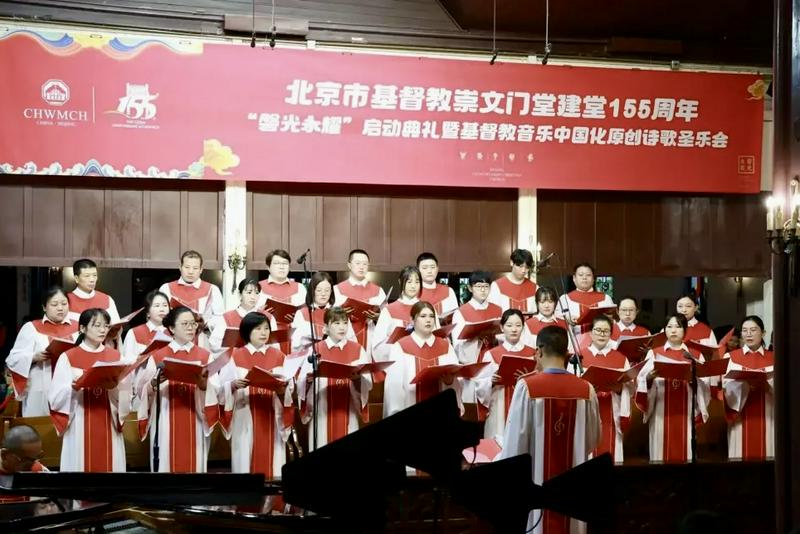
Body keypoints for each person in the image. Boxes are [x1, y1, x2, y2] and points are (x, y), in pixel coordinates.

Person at [498, 325, 600, 534]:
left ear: (539, 351)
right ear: (567, 353)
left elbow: (515, 445)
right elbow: (592, 439)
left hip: (536, 484)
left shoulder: (527, 387)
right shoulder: (586, 388)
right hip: (574, 485)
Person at [136, 306, 221, 472]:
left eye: (193, 323)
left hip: (195, 417)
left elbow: (215, 389)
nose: (191, 327)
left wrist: (204, 386)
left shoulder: (205, 355)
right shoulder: (158, 356)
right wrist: (154, 384)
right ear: (172, 328)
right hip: (166, 417)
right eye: (185, 324)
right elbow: (142, 391)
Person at [49, 308, 129, 472]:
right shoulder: (69, 357)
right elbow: (56, 398)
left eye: (106, 326)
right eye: (97, 325)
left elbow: (126, 392)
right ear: (83, 328)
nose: (102, 330)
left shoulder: (116, 356)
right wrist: (73, 388)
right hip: (79, 420)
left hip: (108, 420)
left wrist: (113, 388)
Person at [219, 312, 295, 478]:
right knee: (246, 463)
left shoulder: (280, 356)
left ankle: (273, 503)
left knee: (273, 467)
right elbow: (220, 389)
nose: (263, 333)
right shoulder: (234, 356)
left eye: (266, 328)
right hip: (245, 416)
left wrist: (283, 390)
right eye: (258, 329)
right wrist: (232, 385)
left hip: (272, 416)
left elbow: (289, 388)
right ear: (247, 332)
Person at [635, 314, 711, 463]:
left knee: (686, 452)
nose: (673, 330)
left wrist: (693, 380)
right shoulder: (654, 353)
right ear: (664, 330)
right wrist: (649, 379)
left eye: (678, 326)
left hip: (686, 411)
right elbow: (642, 380)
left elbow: (705, 385)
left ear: (685, 330)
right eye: (669, 327)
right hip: (660, 412)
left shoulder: (694, 355)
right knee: (660, 454)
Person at [297, 307, 373, 450]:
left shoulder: (357, 350)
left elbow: (367, 385)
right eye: (336, 323)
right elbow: (302, 384)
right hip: (322, 412)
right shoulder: (315, 350)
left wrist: (357, 380)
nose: (342, 327)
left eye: (345, 323)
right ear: (326, 328)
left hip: (348, 410)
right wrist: (308, 382)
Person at [6, 286, 79, 416]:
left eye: (64, 303)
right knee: (39, 425)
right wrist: (34, 357)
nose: (60, 308)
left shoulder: (78, 327)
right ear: (44, 307)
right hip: (40, 384)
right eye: (54, 304)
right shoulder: (31, 328)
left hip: (69, 384)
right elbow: (13, 359)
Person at [383, 301, 462, 417]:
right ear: (412, 320)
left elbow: (454, 382)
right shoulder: (400, 347)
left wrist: (449, 382)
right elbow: (394, 388)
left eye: (431, 316)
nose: (428, 320)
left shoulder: (445, 346)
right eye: (423, 316)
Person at [474, 309, 537, 445]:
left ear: (523, 327)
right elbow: (479, 385)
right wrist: (490, 381)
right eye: (509, 325)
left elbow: (540, 383)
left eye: (518, 325)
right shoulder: (491, 354)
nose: (514, 329)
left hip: (525, 406)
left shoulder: (532, 353)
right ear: (502, 327)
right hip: (499, 406)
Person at [578, 315, 631, 463]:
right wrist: (587, 389)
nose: (602, 334)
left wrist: (619, 389)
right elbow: (572, 384)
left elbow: (629, 387)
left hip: (612, 411)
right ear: (590, 332)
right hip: (588, 411)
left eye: (606, 331)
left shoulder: (620, 358)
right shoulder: (579, 357)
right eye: (598, 330)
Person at [722, 315, 774, 460]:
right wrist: (744, 385)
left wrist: (768, 387)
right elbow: (726, 388)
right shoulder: (730, 357)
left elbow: (784, 388)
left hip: (769, 415)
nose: (749, 334)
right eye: (745, 330)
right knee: (740, 459)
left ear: (763, 333)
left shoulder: (775, 357)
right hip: (741, 416)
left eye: (753, 330)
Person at [333, 249, 386, 353]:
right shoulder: (336, 289)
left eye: (365, 264)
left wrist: (378, 317)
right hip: (345, 335)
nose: (361, 267)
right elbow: (329, 317)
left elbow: (387, 317)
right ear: (349, 265)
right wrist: (341, 314)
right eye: (357, 263)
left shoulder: (378, 291)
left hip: (370, 335)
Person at [208, 278, 277, 356]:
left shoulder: (268, 317)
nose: (253, 297)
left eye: (257, 293)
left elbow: (275, 345)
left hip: (260, 359)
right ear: (240, 294)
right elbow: (214, 344)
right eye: (249, 292)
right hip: (234, 361)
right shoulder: (227, 317)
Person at [257, 249, 307, 354]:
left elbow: (306, 314)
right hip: (267, 336)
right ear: (268, 267)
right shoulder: (258, 287)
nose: (281, 266)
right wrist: (259, 312)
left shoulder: (300, 288)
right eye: (277, 263)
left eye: (285, 263)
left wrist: (297, 316)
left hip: (294, 335)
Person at [159, 250, 224, 327]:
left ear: (201, 270)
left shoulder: (213, 289)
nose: (190, 272)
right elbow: (160, 315)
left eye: (195, 268)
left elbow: (220, 318)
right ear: (180, 268)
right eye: (187, 267)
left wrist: (205, 323)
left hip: (203, 336)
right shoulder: (166, 288)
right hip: (173, 336)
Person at [451, 271, 503, 365]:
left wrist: (495, 338)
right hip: (473, 361)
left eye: (486, 286)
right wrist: (477, 338)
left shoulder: (498, 310)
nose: (483, 290)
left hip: (494, 359)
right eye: (479, 286)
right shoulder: (461, 313)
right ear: (470, 288)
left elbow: (505, 337)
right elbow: (457, 345)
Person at [372, 266, 422, 362]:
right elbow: (378, 346)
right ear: (400, 282)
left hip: (420, 360)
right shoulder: (388, 310)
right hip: (398, 361)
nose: (413, 286)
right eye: (409, 282)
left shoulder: (426, 309)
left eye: (417, 282)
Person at [556, 263, 614, 334]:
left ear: (593, 279)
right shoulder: (565, 299)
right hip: (574, 340)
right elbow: (557, 322)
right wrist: (567, 320)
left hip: (601, 339)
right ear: (574, 278)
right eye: (581, 275)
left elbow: (612, 322)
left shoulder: (606, 298)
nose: (584, 278)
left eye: (588, 275)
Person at [0, 425, 48, 502]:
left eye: (37, 457)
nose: (32, 464)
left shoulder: (39, 472)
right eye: (25, 459)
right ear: (4, 455)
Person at [122, 290, 170, 364]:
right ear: (147, 312)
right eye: (157, 306)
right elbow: (125, 360)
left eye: (165, 305)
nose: (162, 309)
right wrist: (138, 359)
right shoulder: (134, 332)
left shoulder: (173, 333)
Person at [291, 272, 334, 353]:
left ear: (331, 291)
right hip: (309, 358)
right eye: (319, 290)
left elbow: (349, 339)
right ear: (312, 291)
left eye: (327, 290)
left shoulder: (338, 312)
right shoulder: (301, 313)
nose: (323, 294)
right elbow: (295, 346)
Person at [66, 259, 120, 323]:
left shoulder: (107, 299)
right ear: (76, 279)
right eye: (87, 276)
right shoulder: (66, 301)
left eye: (94, 275)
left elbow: (116, 326)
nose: (92, 280)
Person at [488, 249, 538, 313]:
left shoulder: (535, 288)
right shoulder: (496, 286)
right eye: (520, 266)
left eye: (527, 267)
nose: (523, 270)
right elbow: (493, 313)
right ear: (511, 263)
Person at [416, 252, 458, 317]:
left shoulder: (449, 291)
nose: (429, 271)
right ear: (418, 270)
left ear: (437, 269)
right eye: (425, 268)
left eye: (432, 267)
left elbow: (454, 317)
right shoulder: (414, 292)